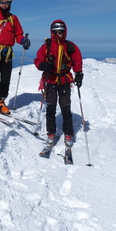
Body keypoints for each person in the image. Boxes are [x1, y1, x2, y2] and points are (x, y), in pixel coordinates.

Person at [34, 19, 83, 148]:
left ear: (64, 32)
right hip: (50, 79)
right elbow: (38, 60)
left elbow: (77, 60)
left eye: (60, 32)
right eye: (56, 32)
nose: (58, 35)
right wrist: (43, 65)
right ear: (52, 32)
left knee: (65, 108)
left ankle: (68, 134)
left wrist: (78, 74)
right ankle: (51, 133)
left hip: (64, 80)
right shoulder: (47, 46)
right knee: (50, 107)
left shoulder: (70, 46)